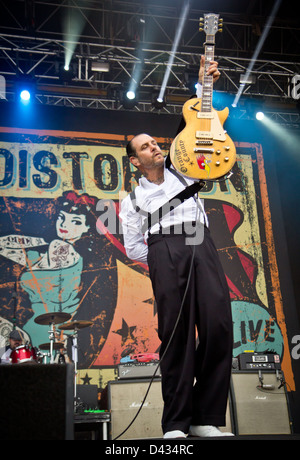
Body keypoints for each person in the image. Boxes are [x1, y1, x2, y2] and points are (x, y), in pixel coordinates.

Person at [119, 58, 234, 438]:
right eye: (146, 147)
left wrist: (204, 82)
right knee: (177, 335)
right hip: (163, 251)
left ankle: (206, 419)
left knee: (218, 326)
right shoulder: (131, 199)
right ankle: (177, 424)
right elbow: (134, 246)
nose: (155, 147)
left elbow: (196, 124)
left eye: (155, 142)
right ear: (135, 161)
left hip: (199, 240)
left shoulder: (184, 164)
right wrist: (161, 255)